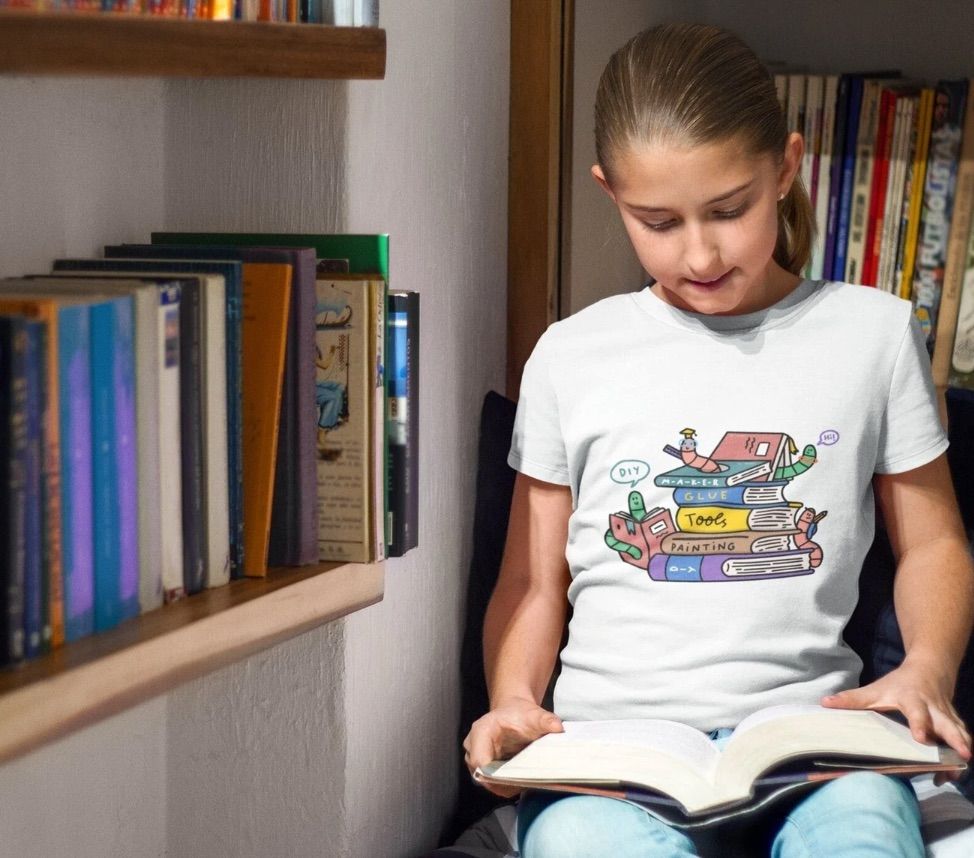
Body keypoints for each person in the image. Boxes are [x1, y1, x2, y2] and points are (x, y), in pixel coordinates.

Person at [463, 21, 974, 858]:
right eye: (657, 221)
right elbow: (528, 578)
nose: (698, 253)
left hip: (816, 749)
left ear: (785, 167)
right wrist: (513, 698)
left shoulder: (873, 336)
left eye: (729, 211)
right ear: (609, 192)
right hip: (611, 757)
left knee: (866, 838)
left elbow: (934, 545)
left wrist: (928, 669)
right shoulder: (570, 354)